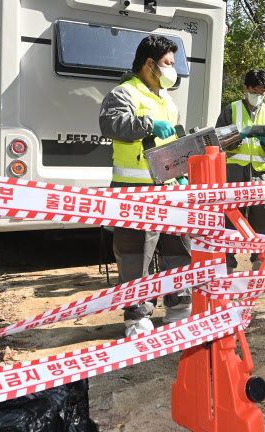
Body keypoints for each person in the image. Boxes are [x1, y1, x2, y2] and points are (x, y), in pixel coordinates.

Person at [99, 35, 192, 337]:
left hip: (170, 189)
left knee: (179, 249)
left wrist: (181, 170)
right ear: (150, 63)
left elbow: (172, 142)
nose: (172, 69)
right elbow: (111, 123)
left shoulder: (167, 99)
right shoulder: (124, 92)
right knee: (136, 256)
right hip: (135, 191)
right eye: (168, 63)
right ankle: (137, 319)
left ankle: (179, 308)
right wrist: (148, 124)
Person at [215, 69, 265, 273]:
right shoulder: (231, 110)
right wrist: (238, 137)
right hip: (233, 174)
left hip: (262, 175)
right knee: (229, 220)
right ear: (245, 89)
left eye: (263, 92)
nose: (259, 96)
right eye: (255, 91)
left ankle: (260, 260)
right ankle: (227, 263)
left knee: (264, 219)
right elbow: (218, 139)